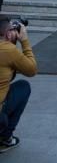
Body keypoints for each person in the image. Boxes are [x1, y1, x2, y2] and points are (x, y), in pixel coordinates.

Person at [0, 16, 37, 152]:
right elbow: (31, 70)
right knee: (23, 86)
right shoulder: (8, 50)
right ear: (9, 33)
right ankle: (5, 138)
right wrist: (24, 42)